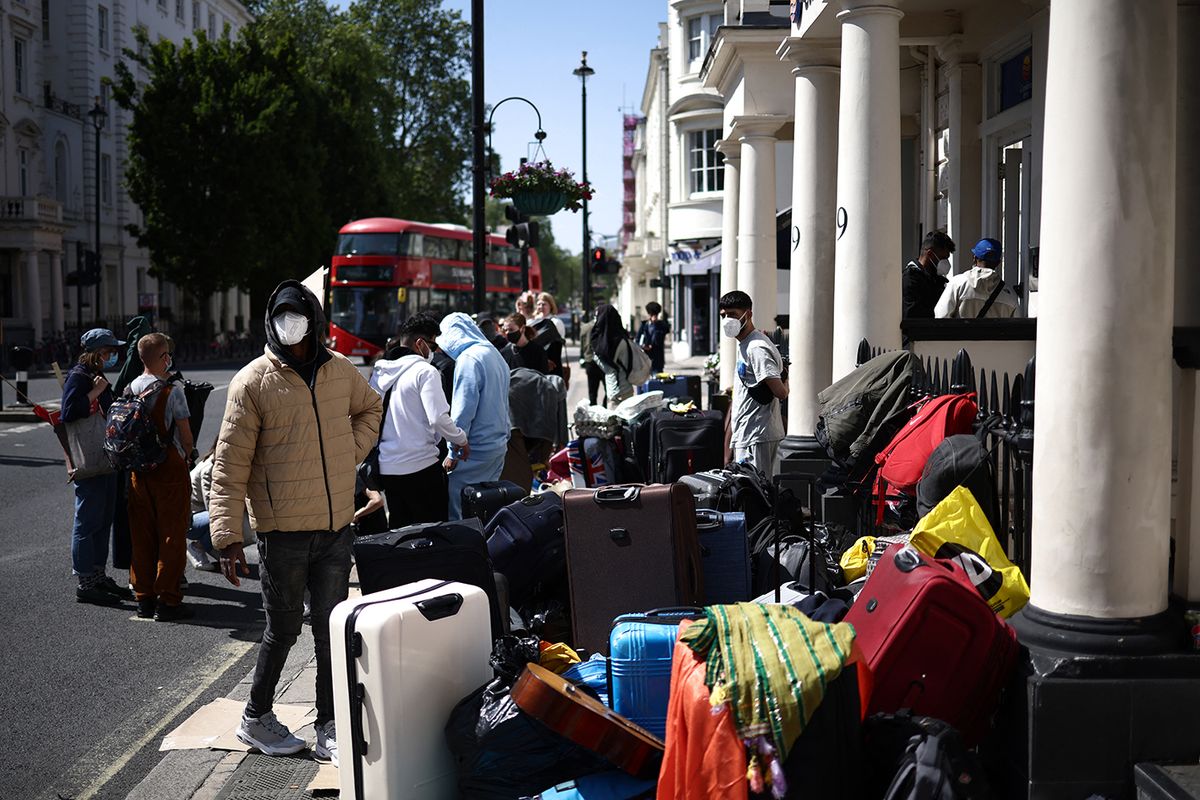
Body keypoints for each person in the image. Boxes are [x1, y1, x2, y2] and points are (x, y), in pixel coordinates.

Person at [209, 279, 381, 763]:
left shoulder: (340, 370)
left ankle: (329, 721)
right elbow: (229, 466)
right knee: (282, 631)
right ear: (270, 321)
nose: (291, 325)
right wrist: (225, 536)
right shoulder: (252, 382)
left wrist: (351, 451)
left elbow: (371, 407)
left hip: (335, 528)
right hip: (281, 533)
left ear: (315, 319)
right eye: (282, 315)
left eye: (297, 314)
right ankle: (256, 717)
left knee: (331, 630)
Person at [370, 314, 470, 528]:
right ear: (420, 343)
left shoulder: (379, 372)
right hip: (422, 466)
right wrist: (461, 439)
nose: (434, 352)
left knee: (401, 533)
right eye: (433, 345)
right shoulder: (425, 371)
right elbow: (438, 418)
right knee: (432, 536)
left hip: (388, 468)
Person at [60, 328, 135, 606]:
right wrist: (97, 391)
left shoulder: (96, 376)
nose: (112, 356)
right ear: (96, 353)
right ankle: (85, 581)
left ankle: (98, 574)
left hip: (106, 459)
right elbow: (68, 412)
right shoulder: (79, 377)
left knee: (103, 520)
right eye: (108, 352)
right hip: (91, 459)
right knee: (87, 521)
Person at [124, 333, 196, 621]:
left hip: (138, 470)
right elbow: (185, 433)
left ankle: (143, 598)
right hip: (167, 466)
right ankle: (168, 600)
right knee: (171, 535)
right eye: (167, 353)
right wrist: (189, 455)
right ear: (163, 357)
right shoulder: (171, 390)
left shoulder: (130, 388)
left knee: (141, 534)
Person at [439, 312, 512, 520]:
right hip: (496, 446)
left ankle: (468, 552)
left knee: (462, 515)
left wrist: (453, 451)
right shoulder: (493, 353)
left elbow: (463, 412)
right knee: (487, 509)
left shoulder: (468, 359)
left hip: (472, 451)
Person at [719, 291, 788, 477]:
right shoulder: (746, 344)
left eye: (732, 314)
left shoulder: (756, 348)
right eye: (723, 315)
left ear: (748, 314)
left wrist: (784, 376)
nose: (727, 320)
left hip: (757, 435)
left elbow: (781, 392)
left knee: (756, 493)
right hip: (748, 435)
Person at [934, 237, 1021, 319]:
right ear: (998, 262)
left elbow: (941, 315)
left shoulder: (957, 284)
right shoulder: (1010, 296)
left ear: (974, 258)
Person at [902, 231, 956, 319]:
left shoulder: (938, 280)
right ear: (930, 254)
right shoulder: (910, 278)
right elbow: (912, 314)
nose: (946, 263)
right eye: (943, 258)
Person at [590, 304, 635, 407]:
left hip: (614, 392)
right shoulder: (623, 338)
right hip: (627, 390)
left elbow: (608, 368)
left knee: (615, 421)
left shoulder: (602, 343)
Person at [636, 301, 670, 373]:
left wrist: (656, 325)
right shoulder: (644, 325)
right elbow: (637, 340)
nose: (653, 317)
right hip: (645, 358)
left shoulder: (661, 325)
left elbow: (664, 333)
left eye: (655, 315)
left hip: (657, 358)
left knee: (656, 379)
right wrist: (643, 346)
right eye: (652, 315)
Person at [579, 317, 605, 407]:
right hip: (603, 361)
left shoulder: (585, 327)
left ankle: (594, 410)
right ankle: (604, 407)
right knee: (608, 389)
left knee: (592, 390)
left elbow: (582, 344)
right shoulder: (604, 326)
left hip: (589, 360)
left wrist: (584, 355)